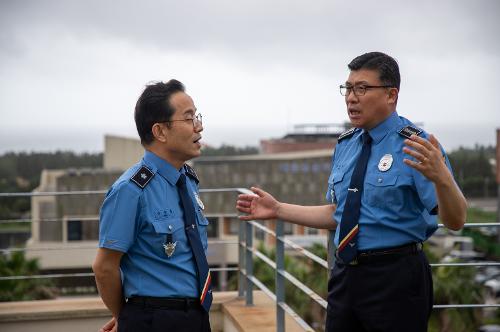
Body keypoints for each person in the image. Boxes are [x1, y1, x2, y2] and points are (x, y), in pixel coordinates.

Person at [236, 52, 467, 332]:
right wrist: (278, 209)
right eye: (348, 88)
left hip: (396, 279)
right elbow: (340, 213)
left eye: (362, 88)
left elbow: (455, 221)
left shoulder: (416, 146)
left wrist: (443, 179)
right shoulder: (346, 145)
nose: (351, 97)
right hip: (345, 276)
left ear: (391, 95)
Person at [92, 79, 212, 332]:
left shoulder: (187, 181)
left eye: (197, 116)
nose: (199, 127)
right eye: (189, 119)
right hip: (155, 320)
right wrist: (126, 317)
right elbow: (104, 267)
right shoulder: (131, 190)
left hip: (197, 315)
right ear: (160, 131)